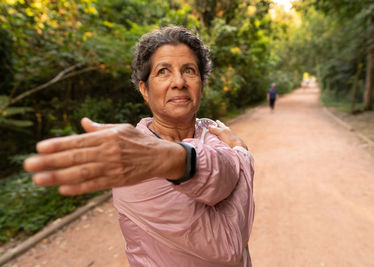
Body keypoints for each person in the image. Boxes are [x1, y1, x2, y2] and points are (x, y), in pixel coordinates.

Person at [24, 26, 255, 267]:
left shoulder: (212, 130)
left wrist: (188, 161)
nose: (179, 82)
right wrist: (243, 156)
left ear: (202, 84)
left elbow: (222, 178)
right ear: (144, 89)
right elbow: (227, 245)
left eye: (189, 70)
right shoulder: (134, 161)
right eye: (163, 71)